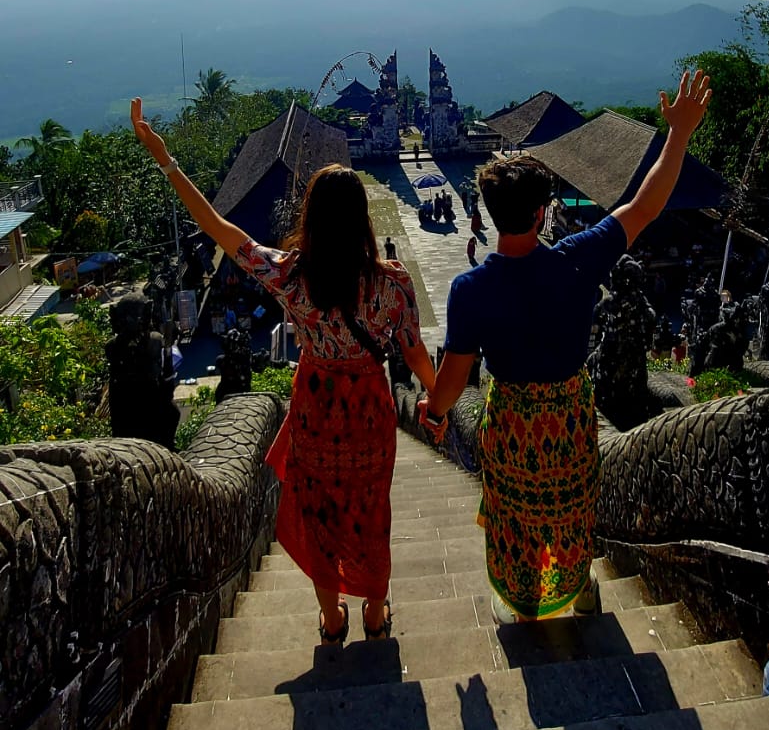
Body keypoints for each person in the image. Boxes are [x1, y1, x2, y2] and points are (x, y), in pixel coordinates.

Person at [130, 100, 435, 645]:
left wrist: (167, 160)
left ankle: (333, 618)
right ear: (363, 218)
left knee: (320, 513)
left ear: (311, 218)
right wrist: (438, 400)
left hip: (316, 408)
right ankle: (374, 610)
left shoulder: (290, 275)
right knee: (371, 510)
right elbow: (414, 354)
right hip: (369, 410)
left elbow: (222, 231)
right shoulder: (392, 282)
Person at [419, 70, 711, 624]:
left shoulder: (471, 289)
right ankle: (578, 587)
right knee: (570, 507)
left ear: (489, 211)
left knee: (519, 513)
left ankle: (527, 601)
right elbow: (645, 205)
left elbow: (454, 379)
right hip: (571, 412)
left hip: (512, 422)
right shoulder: (578, 257)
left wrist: (432, 412)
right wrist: (678, 134)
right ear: (539, 214)